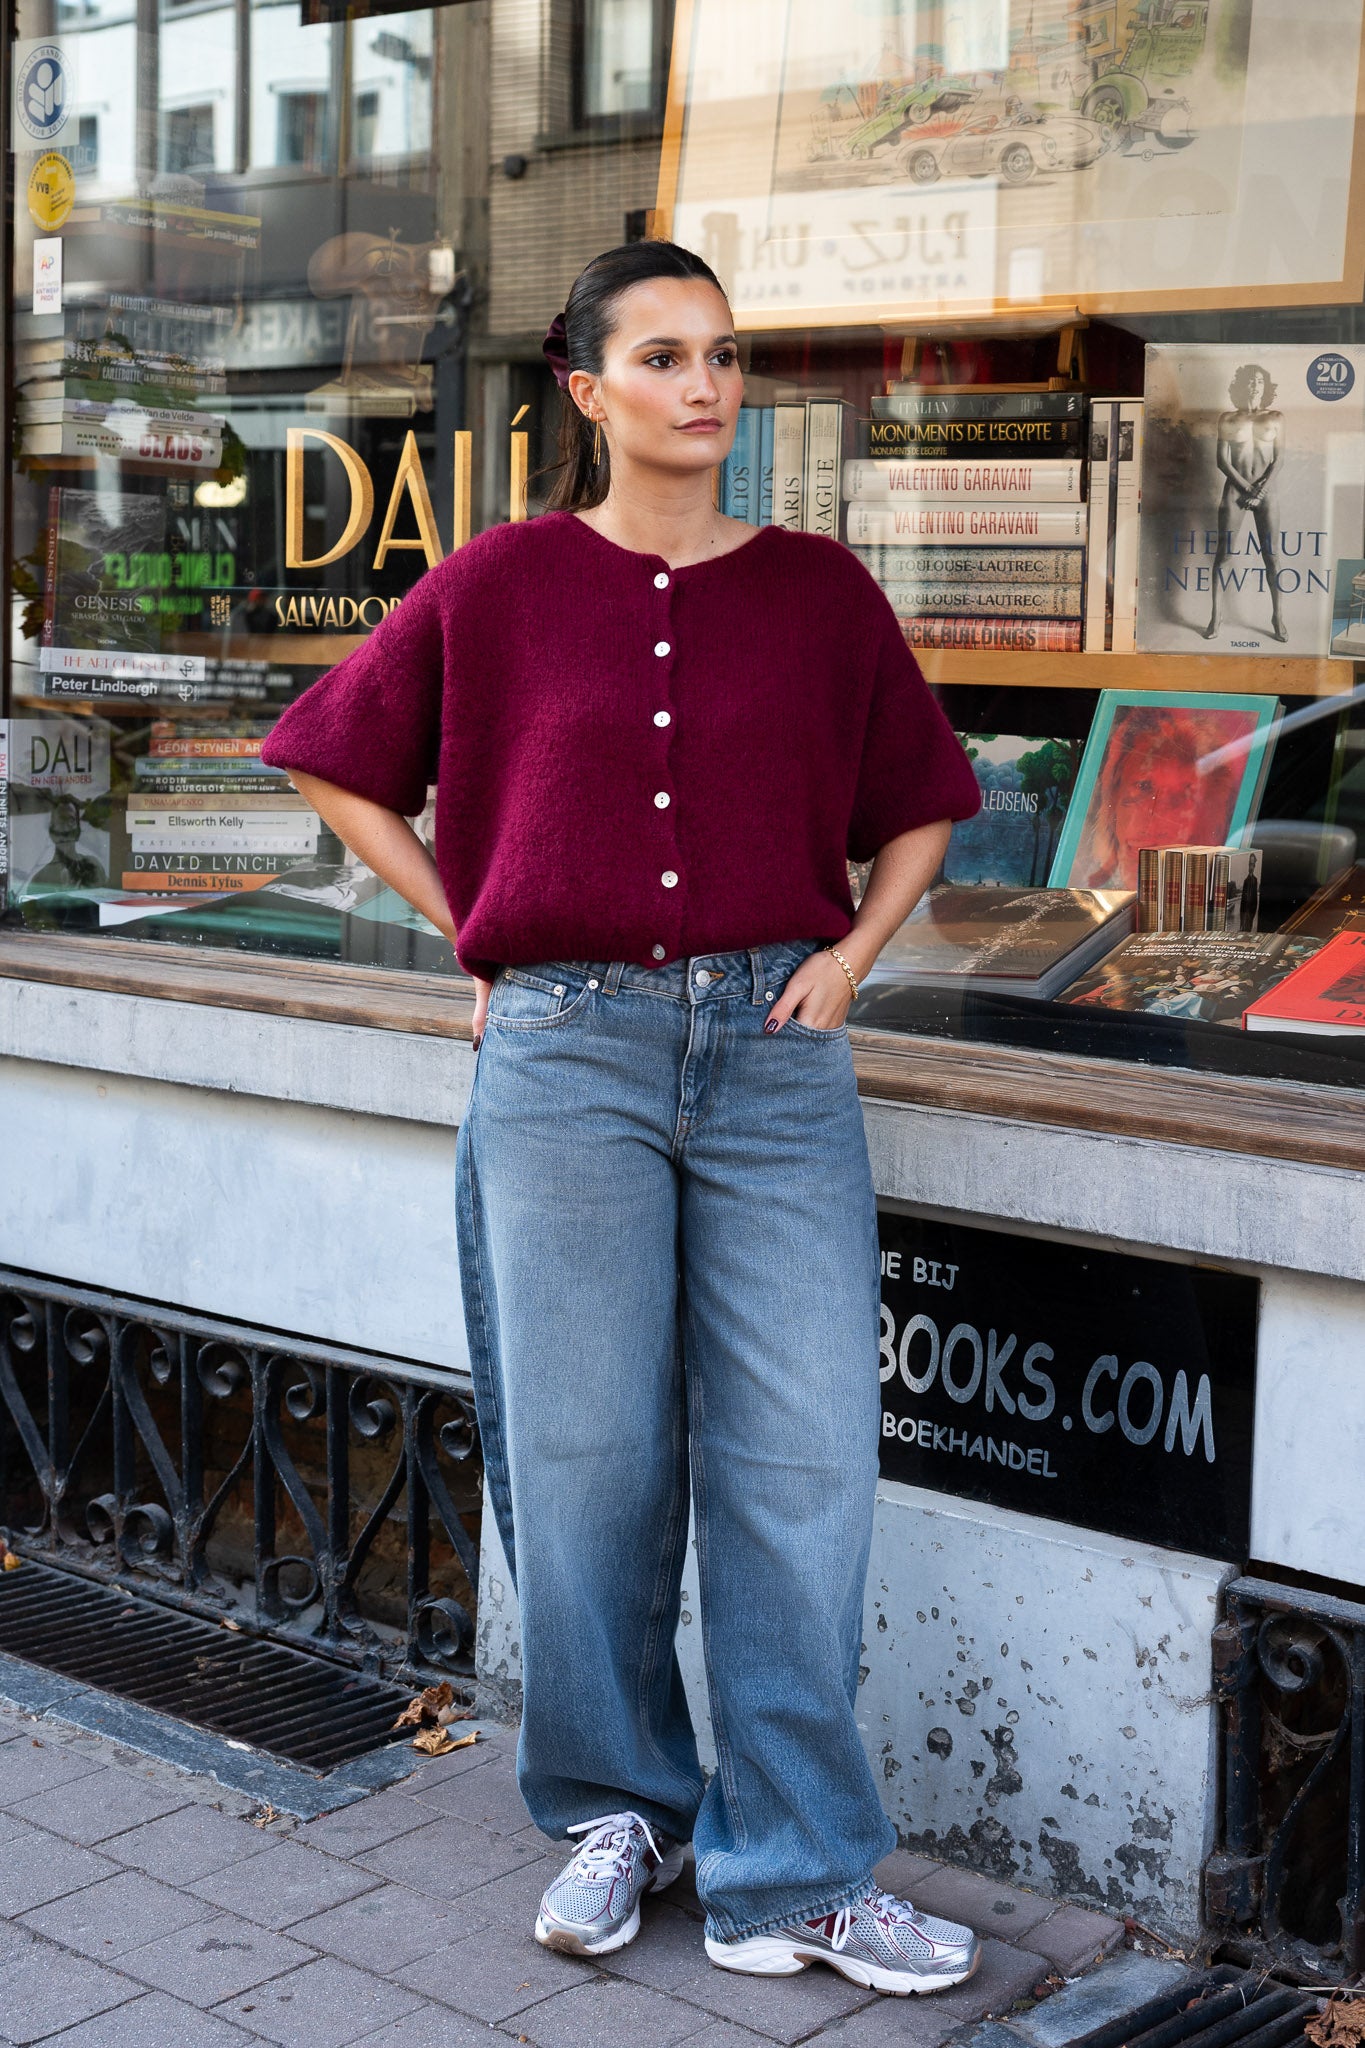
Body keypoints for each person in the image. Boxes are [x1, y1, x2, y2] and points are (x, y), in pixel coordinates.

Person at [260, 239, 983, 1999]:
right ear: (586, 391)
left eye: (723, 354)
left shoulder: (819, 593)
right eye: (663, 357)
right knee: (587, 1464)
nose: (706, 386)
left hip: (774, 1052)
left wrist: (854, 960)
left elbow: (922, 807)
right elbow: (330, 755)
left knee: (805, 1461)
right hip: (565, 1051)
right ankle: (619, 1808)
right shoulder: (499, 583)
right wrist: (473, 921)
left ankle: (791, 1868)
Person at [1203, 362, 1286, 644]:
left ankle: (1278, 616)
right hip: (1235, 491)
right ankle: (1216, 615)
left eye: (1260, 382)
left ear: (1266, 388)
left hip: (1267, 492)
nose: (1255, 386)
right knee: (1223, 555)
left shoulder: (1276, 417)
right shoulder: (1228, 418)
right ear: (1241, 386)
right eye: (1250, 382)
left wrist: (1260, 490)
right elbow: (1221, 461)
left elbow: (1279, 460)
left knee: (1272, 557)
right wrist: (1247, 488)